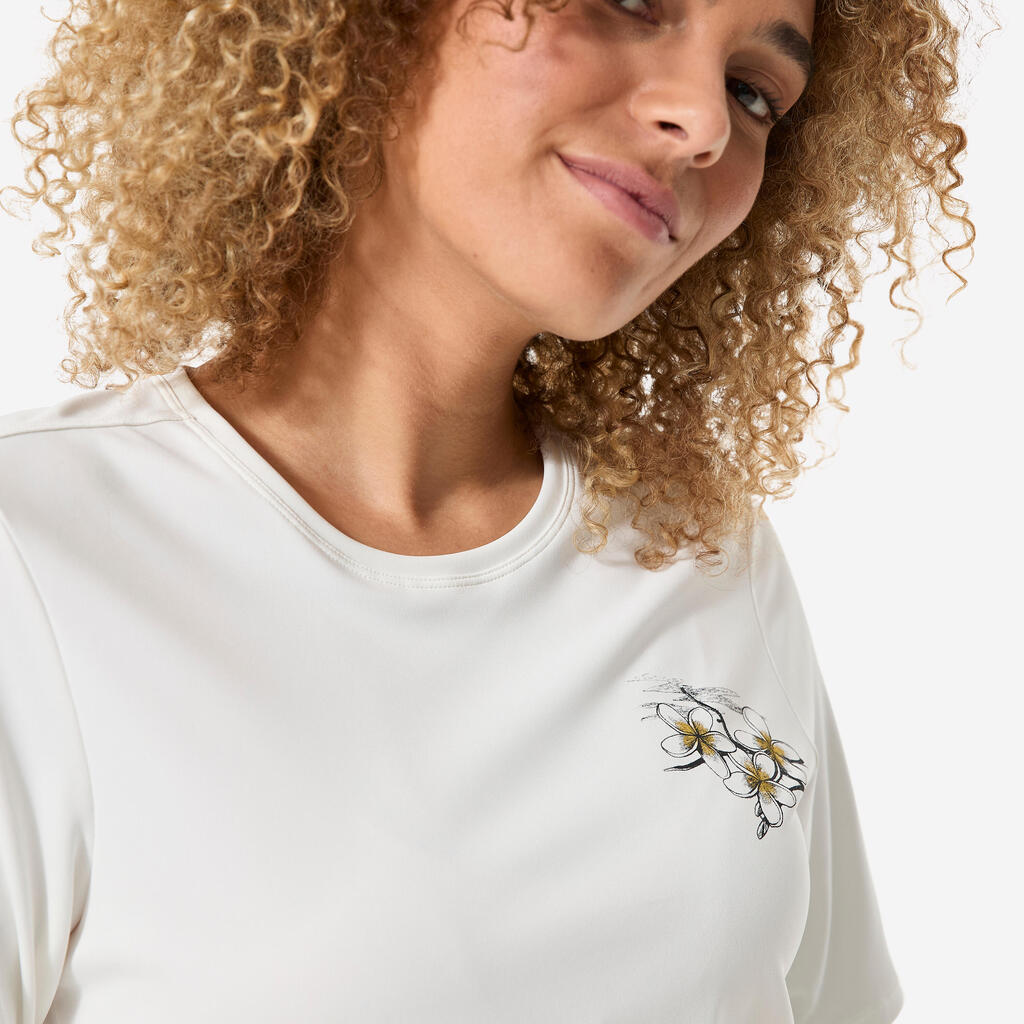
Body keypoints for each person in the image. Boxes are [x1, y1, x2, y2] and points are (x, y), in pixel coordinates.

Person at [0, 0, 976, 1020]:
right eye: (630, 3)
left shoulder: (703, 558)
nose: (703, 122)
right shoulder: (36, 551)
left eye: (753, 94)